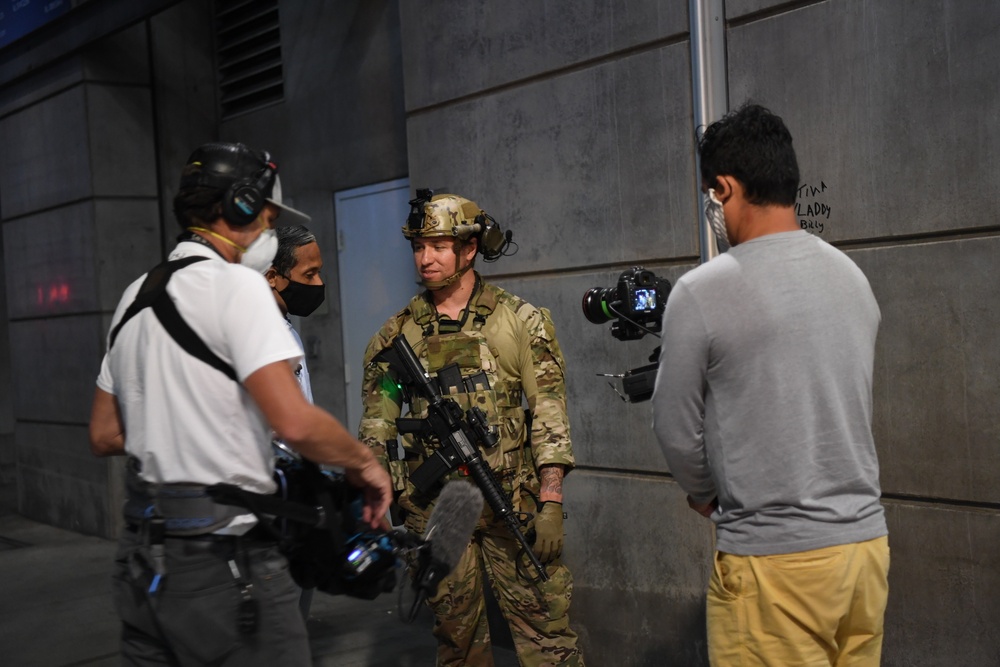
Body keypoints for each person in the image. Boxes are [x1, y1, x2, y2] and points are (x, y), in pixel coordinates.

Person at [88, 141, 392, 666]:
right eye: (269, 218)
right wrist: (365, 463)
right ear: (243, 206)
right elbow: (294, 422)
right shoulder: (237, 288)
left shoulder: (136, 294)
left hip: (143, 562)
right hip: (224, 565)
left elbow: (104, 433)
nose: (270, 233)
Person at [651, 104, 890, 666]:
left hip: (774, 565)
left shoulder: (702, 291)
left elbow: (674, 426)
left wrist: (705, 494)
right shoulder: (852, 277)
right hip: (865, 553)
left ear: (725, 188)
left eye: (712, 193)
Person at [358, 192, 585, 666]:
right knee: (458, 644)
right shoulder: (397, 336)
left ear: (469, 249)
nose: (426, 258)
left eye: (438, 246)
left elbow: (548, 411)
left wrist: (551, 501)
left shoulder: (521, 321)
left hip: (511, 503)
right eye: (419, 247)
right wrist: (377, 490)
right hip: (437, 511)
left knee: (548, 639)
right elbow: (377, 424)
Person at [265, 224, 326, 618]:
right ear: (273, 276)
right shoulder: (260, 336)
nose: (318, 284)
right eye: (309, 275)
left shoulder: (286, 330)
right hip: (273, 504)